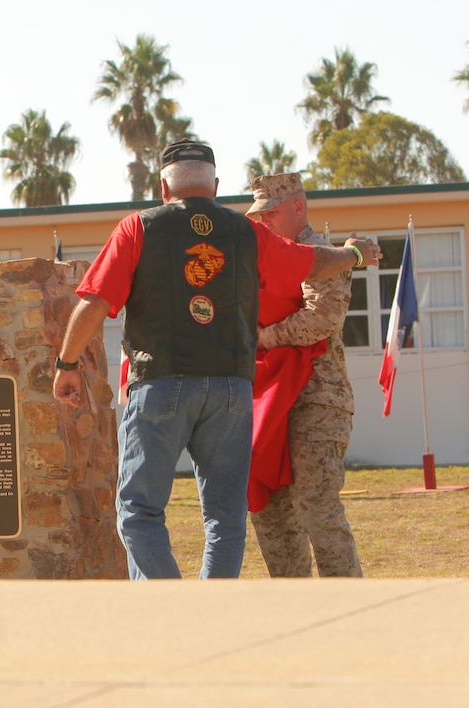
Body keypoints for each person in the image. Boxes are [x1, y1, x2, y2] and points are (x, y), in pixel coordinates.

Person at [52, 139, 381, 580]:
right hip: (232, 388)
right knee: (226, 516)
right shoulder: (245, 232)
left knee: (139, 510)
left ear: (163, 187)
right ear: (216, 186)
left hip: (161, 383)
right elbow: (312, 262)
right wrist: (354, 254)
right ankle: (213, 608)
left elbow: (95, 302)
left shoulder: (138, 227)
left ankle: (170, 612)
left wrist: (67, 364)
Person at [246, 172, 363, 577]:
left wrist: (260, 339)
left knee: (317, 510)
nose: (263, 222)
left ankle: (348, 615)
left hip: (317, 401)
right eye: (259, 214)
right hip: (269, 401)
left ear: (299, 207)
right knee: (272, 517)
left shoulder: (324, 255)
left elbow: (320, 320)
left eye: (272, 212)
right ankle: (293, 608)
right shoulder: (260, 260)